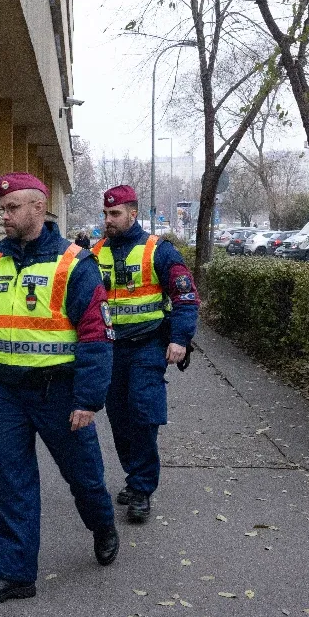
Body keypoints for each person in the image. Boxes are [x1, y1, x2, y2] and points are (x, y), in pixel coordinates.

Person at [0, 172, 119, 606]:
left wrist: (88, 399)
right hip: (9, 394)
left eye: (12, 208)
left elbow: (96, 335)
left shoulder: (74, 264)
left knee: (84, 478)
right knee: (10, 484)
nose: (4, 214)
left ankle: (102, 524)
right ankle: (13, 574)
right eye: (2, 207)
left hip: (61, 393)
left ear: (38, 207)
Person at [92, 184, 200, 523]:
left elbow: (185, 298)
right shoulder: (95, 252)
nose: (108, 220)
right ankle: (133, 474)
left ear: (133, 214)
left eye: (115, 214)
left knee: (143, 416)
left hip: (147, 346)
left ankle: (141, 489)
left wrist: (180, 339)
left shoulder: (159, 251)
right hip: (110, 351)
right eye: (106, 214)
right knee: (119, 418)